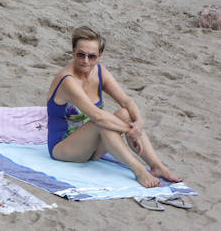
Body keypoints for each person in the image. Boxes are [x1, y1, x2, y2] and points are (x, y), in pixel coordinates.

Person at [45, 26, 182, 187]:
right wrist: (130, 131)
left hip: (91, 148)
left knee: (125, 113)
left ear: (100, 56)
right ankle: (139, 171)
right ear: (73, 51)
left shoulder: (100, 72)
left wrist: (138, 123)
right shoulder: (68, 80)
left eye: (92, 56)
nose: (86, 61)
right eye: (81, 55)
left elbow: (126, 101)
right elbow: (98, 116)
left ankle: (157, 167)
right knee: (101, 123)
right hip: (64, 148)